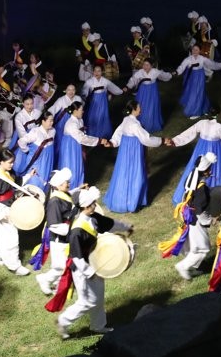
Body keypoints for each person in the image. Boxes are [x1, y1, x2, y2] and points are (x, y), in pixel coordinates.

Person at [54, 186, 133, 338]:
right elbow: (76, 257)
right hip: (82, 269)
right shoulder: (77, 230)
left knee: (99, 296)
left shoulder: (92, 217)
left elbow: (109, 223)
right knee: (87, 301)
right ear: (84, 206)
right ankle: (63, 321)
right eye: (92, 204)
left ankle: (98, 325)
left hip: (95, 262)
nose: (95, 206)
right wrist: (90, 273)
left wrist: (126, 227)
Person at [166, 105, 221, 205]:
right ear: (218, 114)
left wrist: (175, 141)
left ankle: (193, 192)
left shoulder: (202, 123)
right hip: (216, 150)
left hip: (201, 149)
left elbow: (188, 133)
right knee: (215, 171)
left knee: (197, 169)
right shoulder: (219, 128)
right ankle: (215, 197)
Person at [161, 152, 217, 280]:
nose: (210, 171)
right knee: (203, 248)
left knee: (194, 243)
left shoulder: (193, 176)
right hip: (195, 219)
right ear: (205, 171)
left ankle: (195, 265)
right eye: (209, 169)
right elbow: (199, 209)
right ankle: (183, 266)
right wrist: (210, 220)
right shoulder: (202, 189)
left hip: (188, 215)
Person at [104, 101, 164, 213]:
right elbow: (146, 139)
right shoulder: (134, 125)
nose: (140, 109)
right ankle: (133, 202)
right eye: (139, 107)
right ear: (134, 109)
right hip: (133, 151)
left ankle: (125, 200)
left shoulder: (126, 120)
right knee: (136, 173)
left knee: (125, 173)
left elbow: (118, 132)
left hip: (125, 151)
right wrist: (162, 140)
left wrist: (112, 142)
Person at [0, 149, 33, 276]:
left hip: (9, 208)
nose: (12, 165)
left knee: (1, 236)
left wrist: (29, 175)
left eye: (12, 162)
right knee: (11, 238)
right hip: (2, 210)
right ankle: (14, 266)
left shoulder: (6, 173)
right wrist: (1, 215)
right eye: (9, 162)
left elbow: (16, 184)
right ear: (1, 162)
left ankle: (0, 258)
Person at [32, 168, 78, 294]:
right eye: (66, 183)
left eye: (68, 182)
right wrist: (70, 230)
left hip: (66, 235)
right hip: (58, 238)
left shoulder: (63, 195)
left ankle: (59, 285)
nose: (68, 184)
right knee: (59, 266)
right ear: (58, 185)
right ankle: (44, 279)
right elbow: (54, 225)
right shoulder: (55, 201)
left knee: (65, 263)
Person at [57, 101, 111, 189]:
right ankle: (70, 189)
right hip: (70, 148)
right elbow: (82, 138)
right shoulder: (71, 124)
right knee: (72, 167)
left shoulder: (80, 120)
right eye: (81, 110)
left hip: (77, 146)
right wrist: (99, 140)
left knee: (79, 166)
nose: (83, 111)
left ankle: (78, 187)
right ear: (75, 111)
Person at [174, 44, 221, 119]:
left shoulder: (202, 59)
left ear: (199, 51)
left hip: (200, 78)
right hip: (192, 78)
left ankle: (196, 111)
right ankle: (201, 107)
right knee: (192, 92)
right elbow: (181, 67)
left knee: (198, 93)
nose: (195, 51)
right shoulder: (188, 59)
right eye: (193, 49)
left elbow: (213, 65)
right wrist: (176, 72)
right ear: (191, 50)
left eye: (197, 49)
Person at [124, 59, 172, 133]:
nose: (145, 66)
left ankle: (151, 125)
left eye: (147, 65)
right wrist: (127, 87)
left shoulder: (155, 71)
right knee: (141, 107)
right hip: (142, 92)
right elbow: (133, 80)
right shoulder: (140, 72)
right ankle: (141, 125)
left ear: (151, 65)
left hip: (153, 92)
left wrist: (171, 74)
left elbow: (165, 76)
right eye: (144, 64)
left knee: (152, 107)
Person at [16, 113, 56, 191]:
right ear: (43, 121)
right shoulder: (35, 132)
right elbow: (21, 141)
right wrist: (27, 150)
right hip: (37, 160)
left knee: (45, 177)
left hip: (48, 160)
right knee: (35, 180)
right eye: (49, 121)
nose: (52, 123)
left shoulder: (53, 131)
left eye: (52, 121)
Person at [81, 64, 123, 139]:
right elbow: (84, 92)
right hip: (93, 103)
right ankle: (92, 134)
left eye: (99, 71)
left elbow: (113, 87)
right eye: (95, 71)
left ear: (102, 72)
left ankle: (103, 133)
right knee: (93, 116)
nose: (97, 73)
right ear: (93, 72)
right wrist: (84, 96)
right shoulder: (89, 82)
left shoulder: (105, 81)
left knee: (103, 116)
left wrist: (121, 91)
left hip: (103, 102)